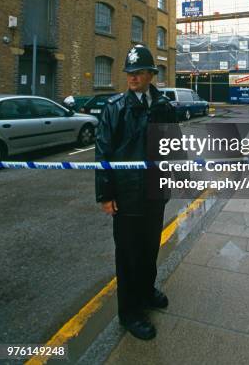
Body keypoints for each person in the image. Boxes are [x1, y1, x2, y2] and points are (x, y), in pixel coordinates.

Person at [95, 44, 176, 340]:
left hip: (155, 193)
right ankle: (129, 312)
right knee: (128, 254)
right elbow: (102, 152)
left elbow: (173, 147)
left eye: (138, 72)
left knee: (150, 247)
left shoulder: (164, 106)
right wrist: (105, 195)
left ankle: (146, 291)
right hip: (127, 196)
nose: (132, 78)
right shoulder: (115, 108)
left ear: (151, 75)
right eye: (129, 72)